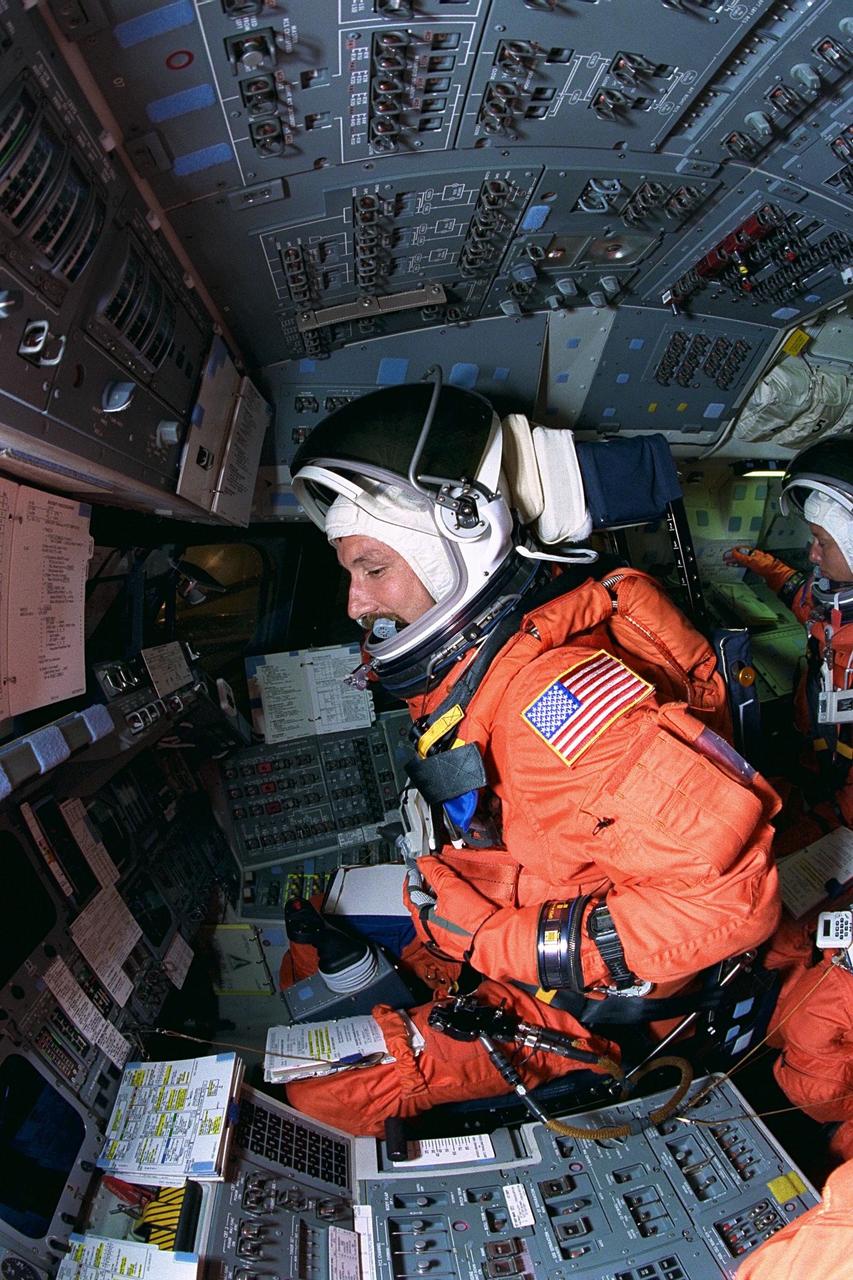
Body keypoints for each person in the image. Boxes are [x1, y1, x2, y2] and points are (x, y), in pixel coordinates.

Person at [285, 380, 781, 1136]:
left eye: (373, 568)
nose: (356, 603)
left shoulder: (552, 707)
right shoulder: (496, 661)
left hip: (579, 1007)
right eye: (350, 572)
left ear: (457, 550)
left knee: (323, 1092)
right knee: (305, 975)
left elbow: (731, 906)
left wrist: (491, 940)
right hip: (495, 913)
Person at [724, 439, 853, 828]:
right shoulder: (829, 608)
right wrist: (755, 560)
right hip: (814, 761)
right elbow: (795, 588)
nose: (813, 553)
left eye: (823, 542)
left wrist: (819, 824)